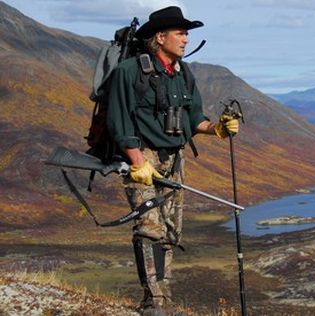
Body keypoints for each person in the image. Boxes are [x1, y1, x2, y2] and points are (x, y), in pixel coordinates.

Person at [106, 6, 239, 315]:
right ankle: (152, 302)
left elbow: (194, 118)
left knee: (170, 231)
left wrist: (217, 128)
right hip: (143, 158)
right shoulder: (130, 72)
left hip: (175, 160)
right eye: (180, 33)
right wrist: (137, 161)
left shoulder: (183, 74)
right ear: (160, 37)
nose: (186, 39)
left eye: (186, 33)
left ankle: (164, 298)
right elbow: (118, 119)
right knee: (149, 227)